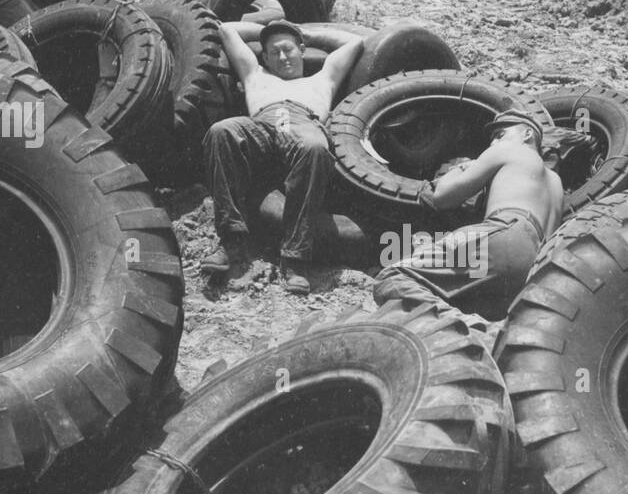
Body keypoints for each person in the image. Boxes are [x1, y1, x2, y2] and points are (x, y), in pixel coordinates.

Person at [201, 19, 365, 294]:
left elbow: (355, 42)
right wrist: (270, 27)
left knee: (315, 147)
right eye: (273, 52)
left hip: (303, 124)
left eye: (288, 49)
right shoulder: (255, 74)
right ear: (264, 56)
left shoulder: (321, 79)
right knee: (222, 130)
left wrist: (307, 32)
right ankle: (232, 243)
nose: (282, 56)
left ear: (301, 50)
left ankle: (294, 260)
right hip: (262, 124)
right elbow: (226, 30)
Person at [372, 112, 581, 320]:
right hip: (533, 264)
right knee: (460, 303)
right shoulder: (555, 182)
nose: (493, 143)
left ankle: (466, 326)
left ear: (527, 135)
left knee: (394, 277)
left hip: (503, 234)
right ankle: (479, 330)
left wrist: (458, 170)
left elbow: (442, 198)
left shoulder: (507, 150)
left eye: (500, 134)